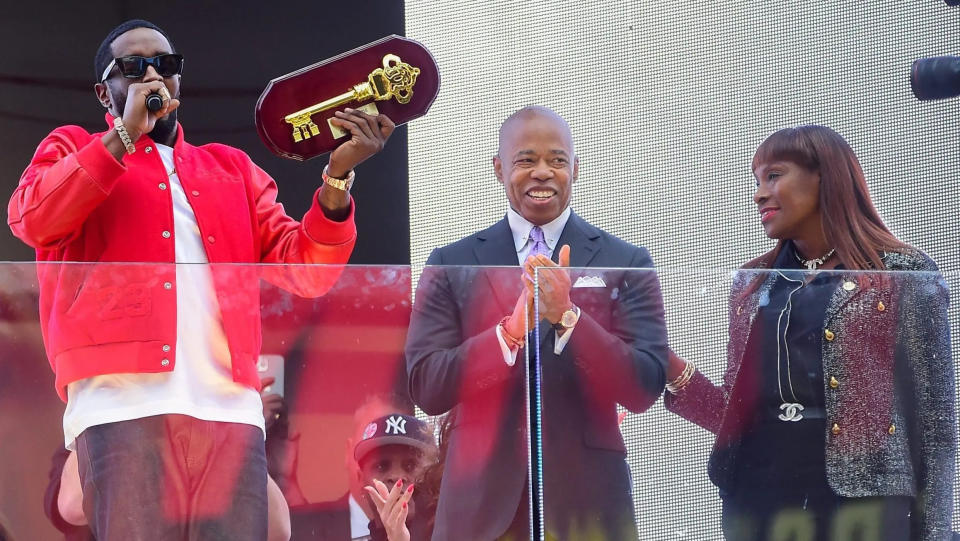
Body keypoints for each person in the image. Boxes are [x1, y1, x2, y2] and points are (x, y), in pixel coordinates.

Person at [7, 19, 395, 540]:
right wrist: (122, 137)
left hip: (228, 414)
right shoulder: (73, 147)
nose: (152, 77)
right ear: (105, 90)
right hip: (122, 407)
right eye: (133, 67)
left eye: (165, 66)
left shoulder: (230, 169)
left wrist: (337, 178)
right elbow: (33, 218)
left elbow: (308, 269)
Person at [663, 125, 956, 541]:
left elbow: (935, 424)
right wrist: (669, 367)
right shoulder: (753, 282)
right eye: (756, 180)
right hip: (757, 499)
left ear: (824, 176)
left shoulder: (903, 274)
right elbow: (736, 415)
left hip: (863, 506)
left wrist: (937, 534)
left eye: (774, 175)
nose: (759, 193)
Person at [405, 106, 668, 540]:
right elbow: (427, 385)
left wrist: (568, 319)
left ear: (576, 169)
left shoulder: (627, 262)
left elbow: (644, 386)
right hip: (479, 508)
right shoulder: (452, 263)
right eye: (526, 160)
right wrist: (507, 334)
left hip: (588, 507)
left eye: (557, 161)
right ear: (498, 168)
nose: (543, 173)